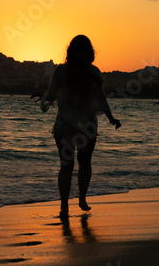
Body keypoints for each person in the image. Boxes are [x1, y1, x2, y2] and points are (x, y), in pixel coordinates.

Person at [33, 35, 121, 218]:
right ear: (89, 52)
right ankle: (78, 200)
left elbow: (51, 95)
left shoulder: (62, 71)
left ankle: (69, 204)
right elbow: (100, 99)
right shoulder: (91, 72)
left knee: (70, 165)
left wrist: (45, 100)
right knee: (82, 163)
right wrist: (111, 117)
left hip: (66, 124)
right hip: (83, 125)